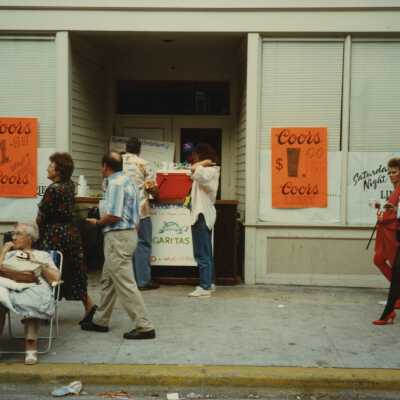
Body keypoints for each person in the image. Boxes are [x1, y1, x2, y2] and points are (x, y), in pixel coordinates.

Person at [82, 152, 156, 339]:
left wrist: (96, 223)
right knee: (108, 280)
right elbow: (136, 211)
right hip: (128, 234)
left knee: (125, 283)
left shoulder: (114, 184)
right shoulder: (128, 181)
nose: (101, 170)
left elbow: (114, 215)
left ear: (105, 166)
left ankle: (144, 326)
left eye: (101, 166)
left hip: (117, 237)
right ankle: (100, 320)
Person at [36, 152, 96, 325]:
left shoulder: (53, 189)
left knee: (47, 270)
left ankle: (44, 310)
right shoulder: (69, 185)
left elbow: (41, 216)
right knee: (73, 271)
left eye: (51, 165)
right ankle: (88, 304)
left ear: (59, 170)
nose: (47, 168)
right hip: (70, 234)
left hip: (53, 235)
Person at [0, 222, 60, 365]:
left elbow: (55, 278)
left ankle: (31, 345)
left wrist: (37, 262)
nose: (14, 237)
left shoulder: (42, 255)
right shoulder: (9, 254)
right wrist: (3, 251)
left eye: (18, 234)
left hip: (33, 284)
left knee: (32, 298)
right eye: (13, 234)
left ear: (30, 238)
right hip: (8, 285)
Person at [122, 137, 160, 290]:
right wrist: (157, 194)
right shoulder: (144, 164)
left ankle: (125, 281)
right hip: (140, 210)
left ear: (126, 147)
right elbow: (151, 188)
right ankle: (143, 281)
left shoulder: (118, 161)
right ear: (139, 149)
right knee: (142, 243)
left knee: (123, 245)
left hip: (120, 211)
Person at [187, 143, 220, 298]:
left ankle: (205, 287)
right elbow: (192, 172)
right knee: (205, 251)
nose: (193, 159)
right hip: (201, 214)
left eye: (195, 155)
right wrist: (203, 162)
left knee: (202, 252)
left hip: (202, 214)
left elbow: (195, 170)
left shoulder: (210, 171)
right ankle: (209, 282)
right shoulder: (209, 170)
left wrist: (204, 162)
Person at [373, 157, 400, 325]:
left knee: (396, 273)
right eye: (389, 172)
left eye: (395, 171)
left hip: (395, 235)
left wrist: (392, 211)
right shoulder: (396, 188)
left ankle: (388, 312)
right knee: (381, 260)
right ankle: (390, 309)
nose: (391, 175)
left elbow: (395, 211)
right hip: (392, 233)